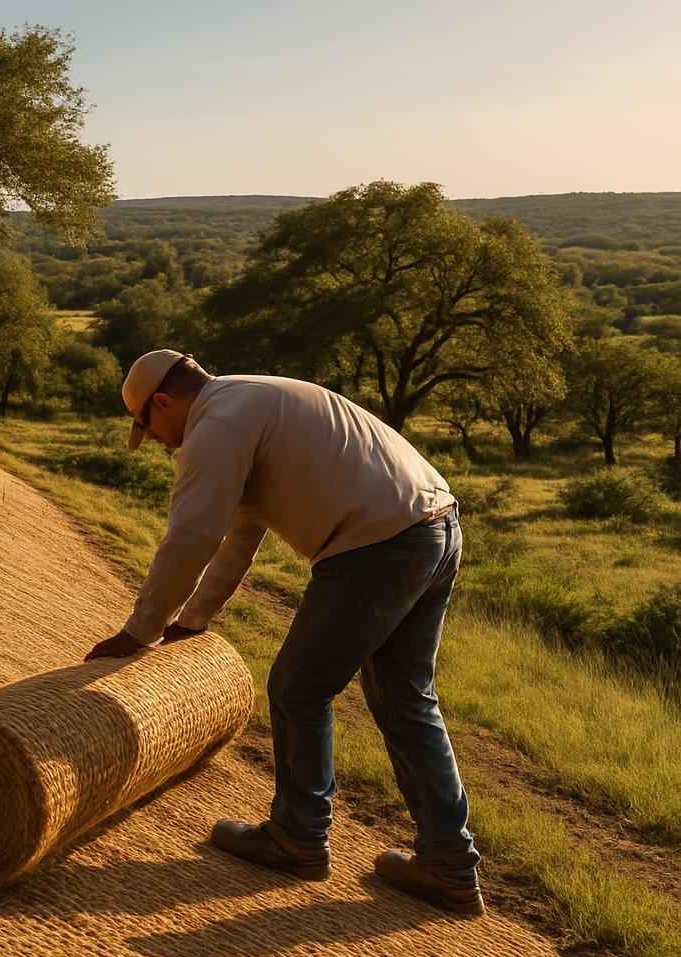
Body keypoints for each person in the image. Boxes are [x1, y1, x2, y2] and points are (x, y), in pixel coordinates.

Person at [84, 349, 483, 916]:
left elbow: (193, 536)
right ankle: (449, 865)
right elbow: (241, 533)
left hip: (379, 544)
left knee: (299, 689)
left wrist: (137, 632)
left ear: (163, 403)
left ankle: (298, 838)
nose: (158, 443)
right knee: (405, 697)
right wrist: (189, 622)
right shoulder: (250, 397)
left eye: (147, 428)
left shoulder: (215, 424)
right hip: (435, 526)